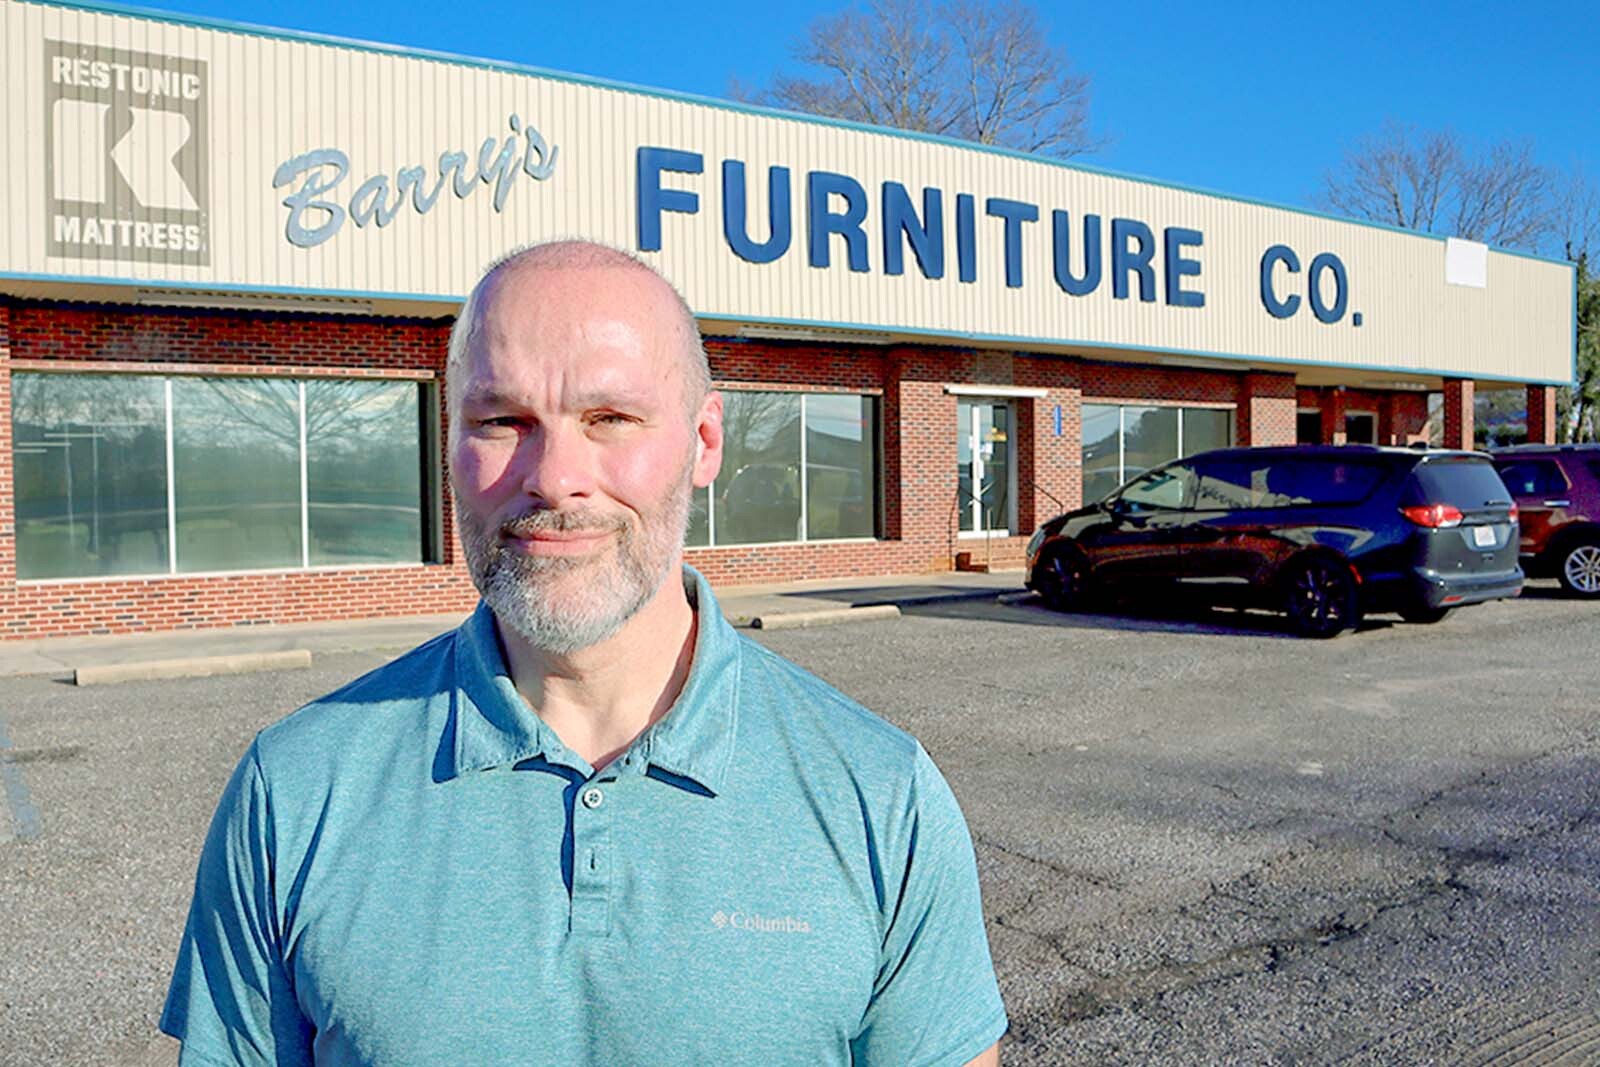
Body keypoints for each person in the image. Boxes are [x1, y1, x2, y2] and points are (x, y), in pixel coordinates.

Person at [160, 239, 1007, 1066]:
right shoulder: (295, 789)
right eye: (503, 420)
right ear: (448, 445)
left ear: (704, 442)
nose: (555, 476)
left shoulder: (881, 795)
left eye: (609, 418)